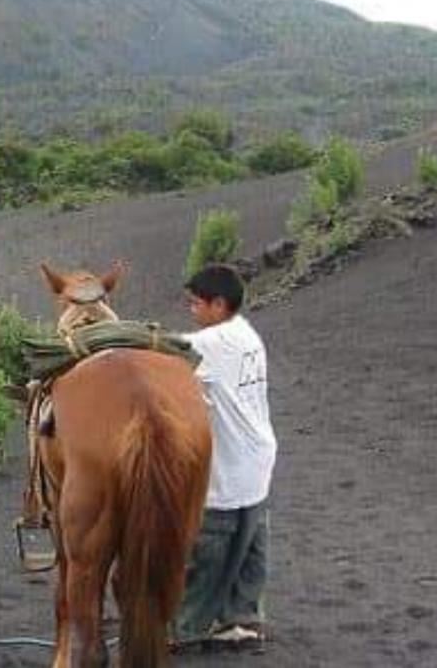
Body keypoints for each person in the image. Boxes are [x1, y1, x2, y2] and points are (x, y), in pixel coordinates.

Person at [174, 264, 277, 648]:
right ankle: (243, 618)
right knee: (251, 544)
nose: (192, 311)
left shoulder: (214, 342)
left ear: (219, 304)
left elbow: (159, 346)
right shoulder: (247, 333)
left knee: (211, 549)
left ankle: (189, 628)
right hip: (258, 457)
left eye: (195, 304)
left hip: (230, 464)